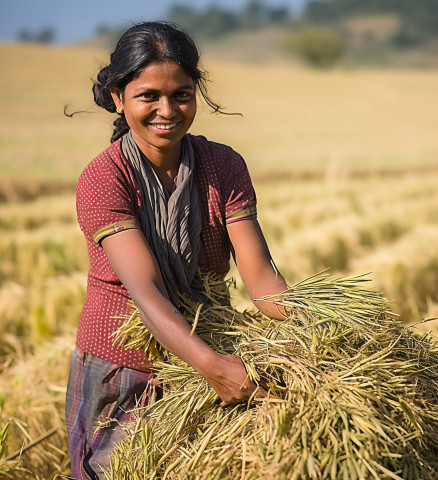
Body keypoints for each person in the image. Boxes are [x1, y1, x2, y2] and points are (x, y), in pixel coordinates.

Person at [65, 21, 288, 480]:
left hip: (213, 348)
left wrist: (318, 332)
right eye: (149, 95)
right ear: (117, 97)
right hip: (125, 369)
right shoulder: (104, 180)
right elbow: (146, 296)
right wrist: (214, 368)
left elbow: (263, 280)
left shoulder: (223, 165)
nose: (167, 110)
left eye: (181, 95)